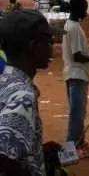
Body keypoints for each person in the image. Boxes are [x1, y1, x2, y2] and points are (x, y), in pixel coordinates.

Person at [0, 10, 62, 176]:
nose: (52, 46)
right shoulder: (23, 96)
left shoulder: (5, 79)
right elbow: (3, 158)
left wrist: (37, 152)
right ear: (32, 47)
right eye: (48, 41)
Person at [62, 0, 89, 158]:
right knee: (77, 113)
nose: (86, 12)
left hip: (72, 73)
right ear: (78, 9)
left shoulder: (70, 25)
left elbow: (79, 51)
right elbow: (77, 55)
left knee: (79, 111)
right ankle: (71, 149)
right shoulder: (74, 28)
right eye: (84, 9)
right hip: (77, 74)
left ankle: (79, 141)